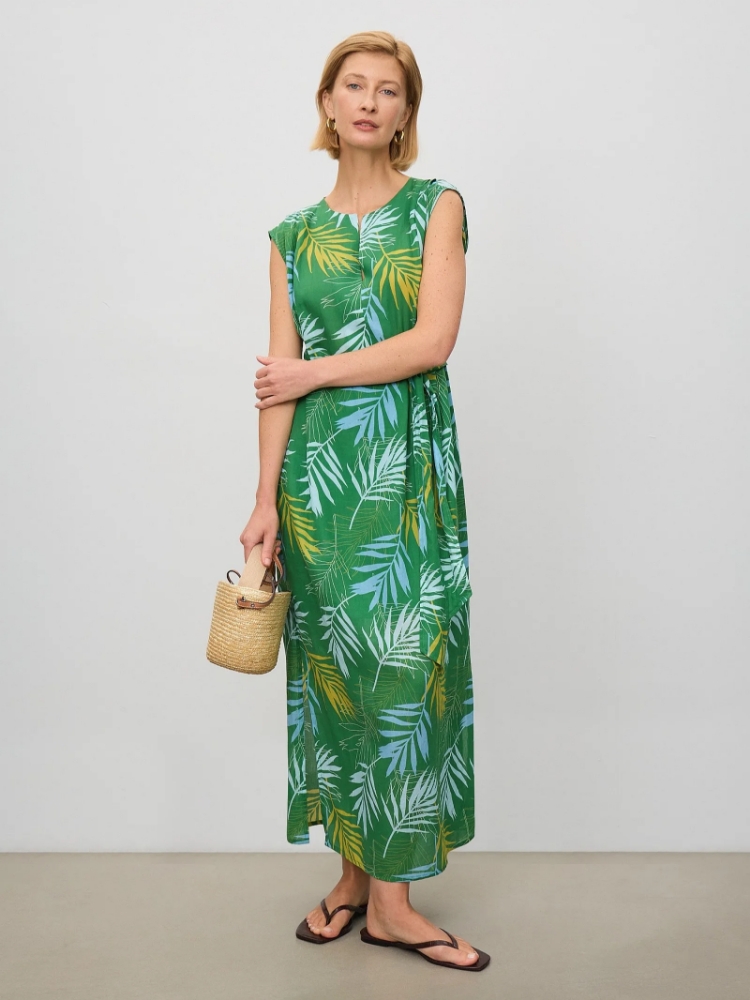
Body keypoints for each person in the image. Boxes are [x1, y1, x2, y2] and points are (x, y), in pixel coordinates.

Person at [239, 30, 489, 972]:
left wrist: (312, 371)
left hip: (407, 471)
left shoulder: (437, 206)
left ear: (405, 111)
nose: (370, 102)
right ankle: (354, 881)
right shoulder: (290, 237)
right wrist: (263, 502)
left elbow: (432, 341)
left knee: (405, 674)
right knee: (338, 674)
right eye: (355, 85)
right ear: (329, 102)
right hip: (319, 484)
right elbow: (276, 382)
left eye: (389, 90)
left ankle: (394, 902)